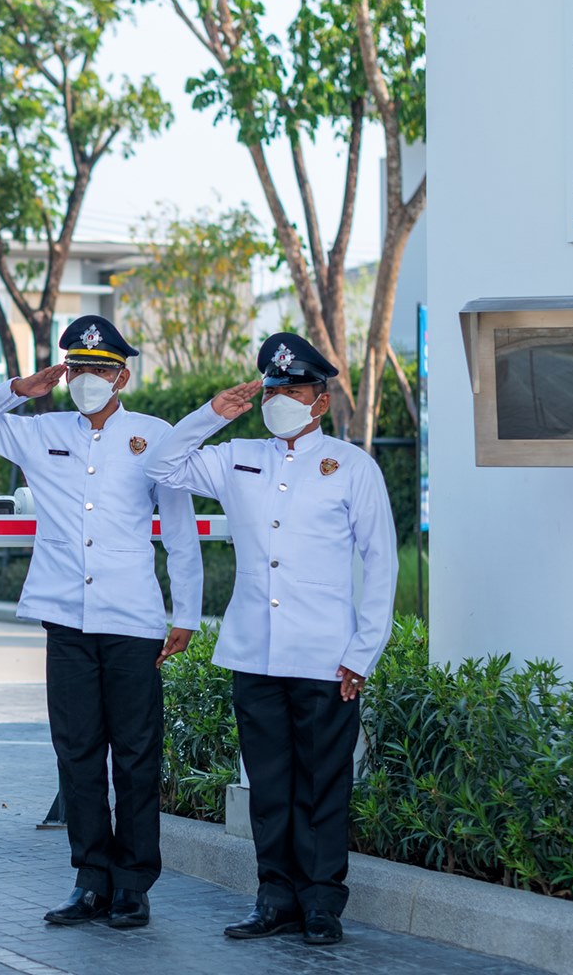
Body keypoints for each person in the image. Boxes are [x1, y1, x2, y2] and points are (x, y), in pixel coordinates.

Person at [142, 331, 397, 947]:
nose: (282, 397)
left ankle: (321, 903)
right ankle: (275, 896)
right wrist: (212, 414)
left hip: (325, 657)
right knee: (270, 785)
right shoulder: (238, 458)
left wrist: (363, 653)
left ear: (322, 400)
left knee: (323, 785)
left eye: (296, 388)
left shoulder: (352, 467)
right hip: (254, 652)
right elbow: (161, 464)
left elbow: (381, 564)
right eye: (273, 388)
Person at [0, 315, 205, 930]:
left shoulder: (154, 437)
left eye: (100, 369)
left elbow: (179, 534)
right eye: (79, 368)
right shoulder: (41, 432)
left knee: (137, 755)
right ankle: (91, 880)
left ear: (122, 375)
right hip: (64, 616)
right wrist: (22, 388)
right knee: (78, 754)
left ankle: (134, 886)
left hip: (134, 620)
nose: (88, 379)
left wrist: (187, 613)